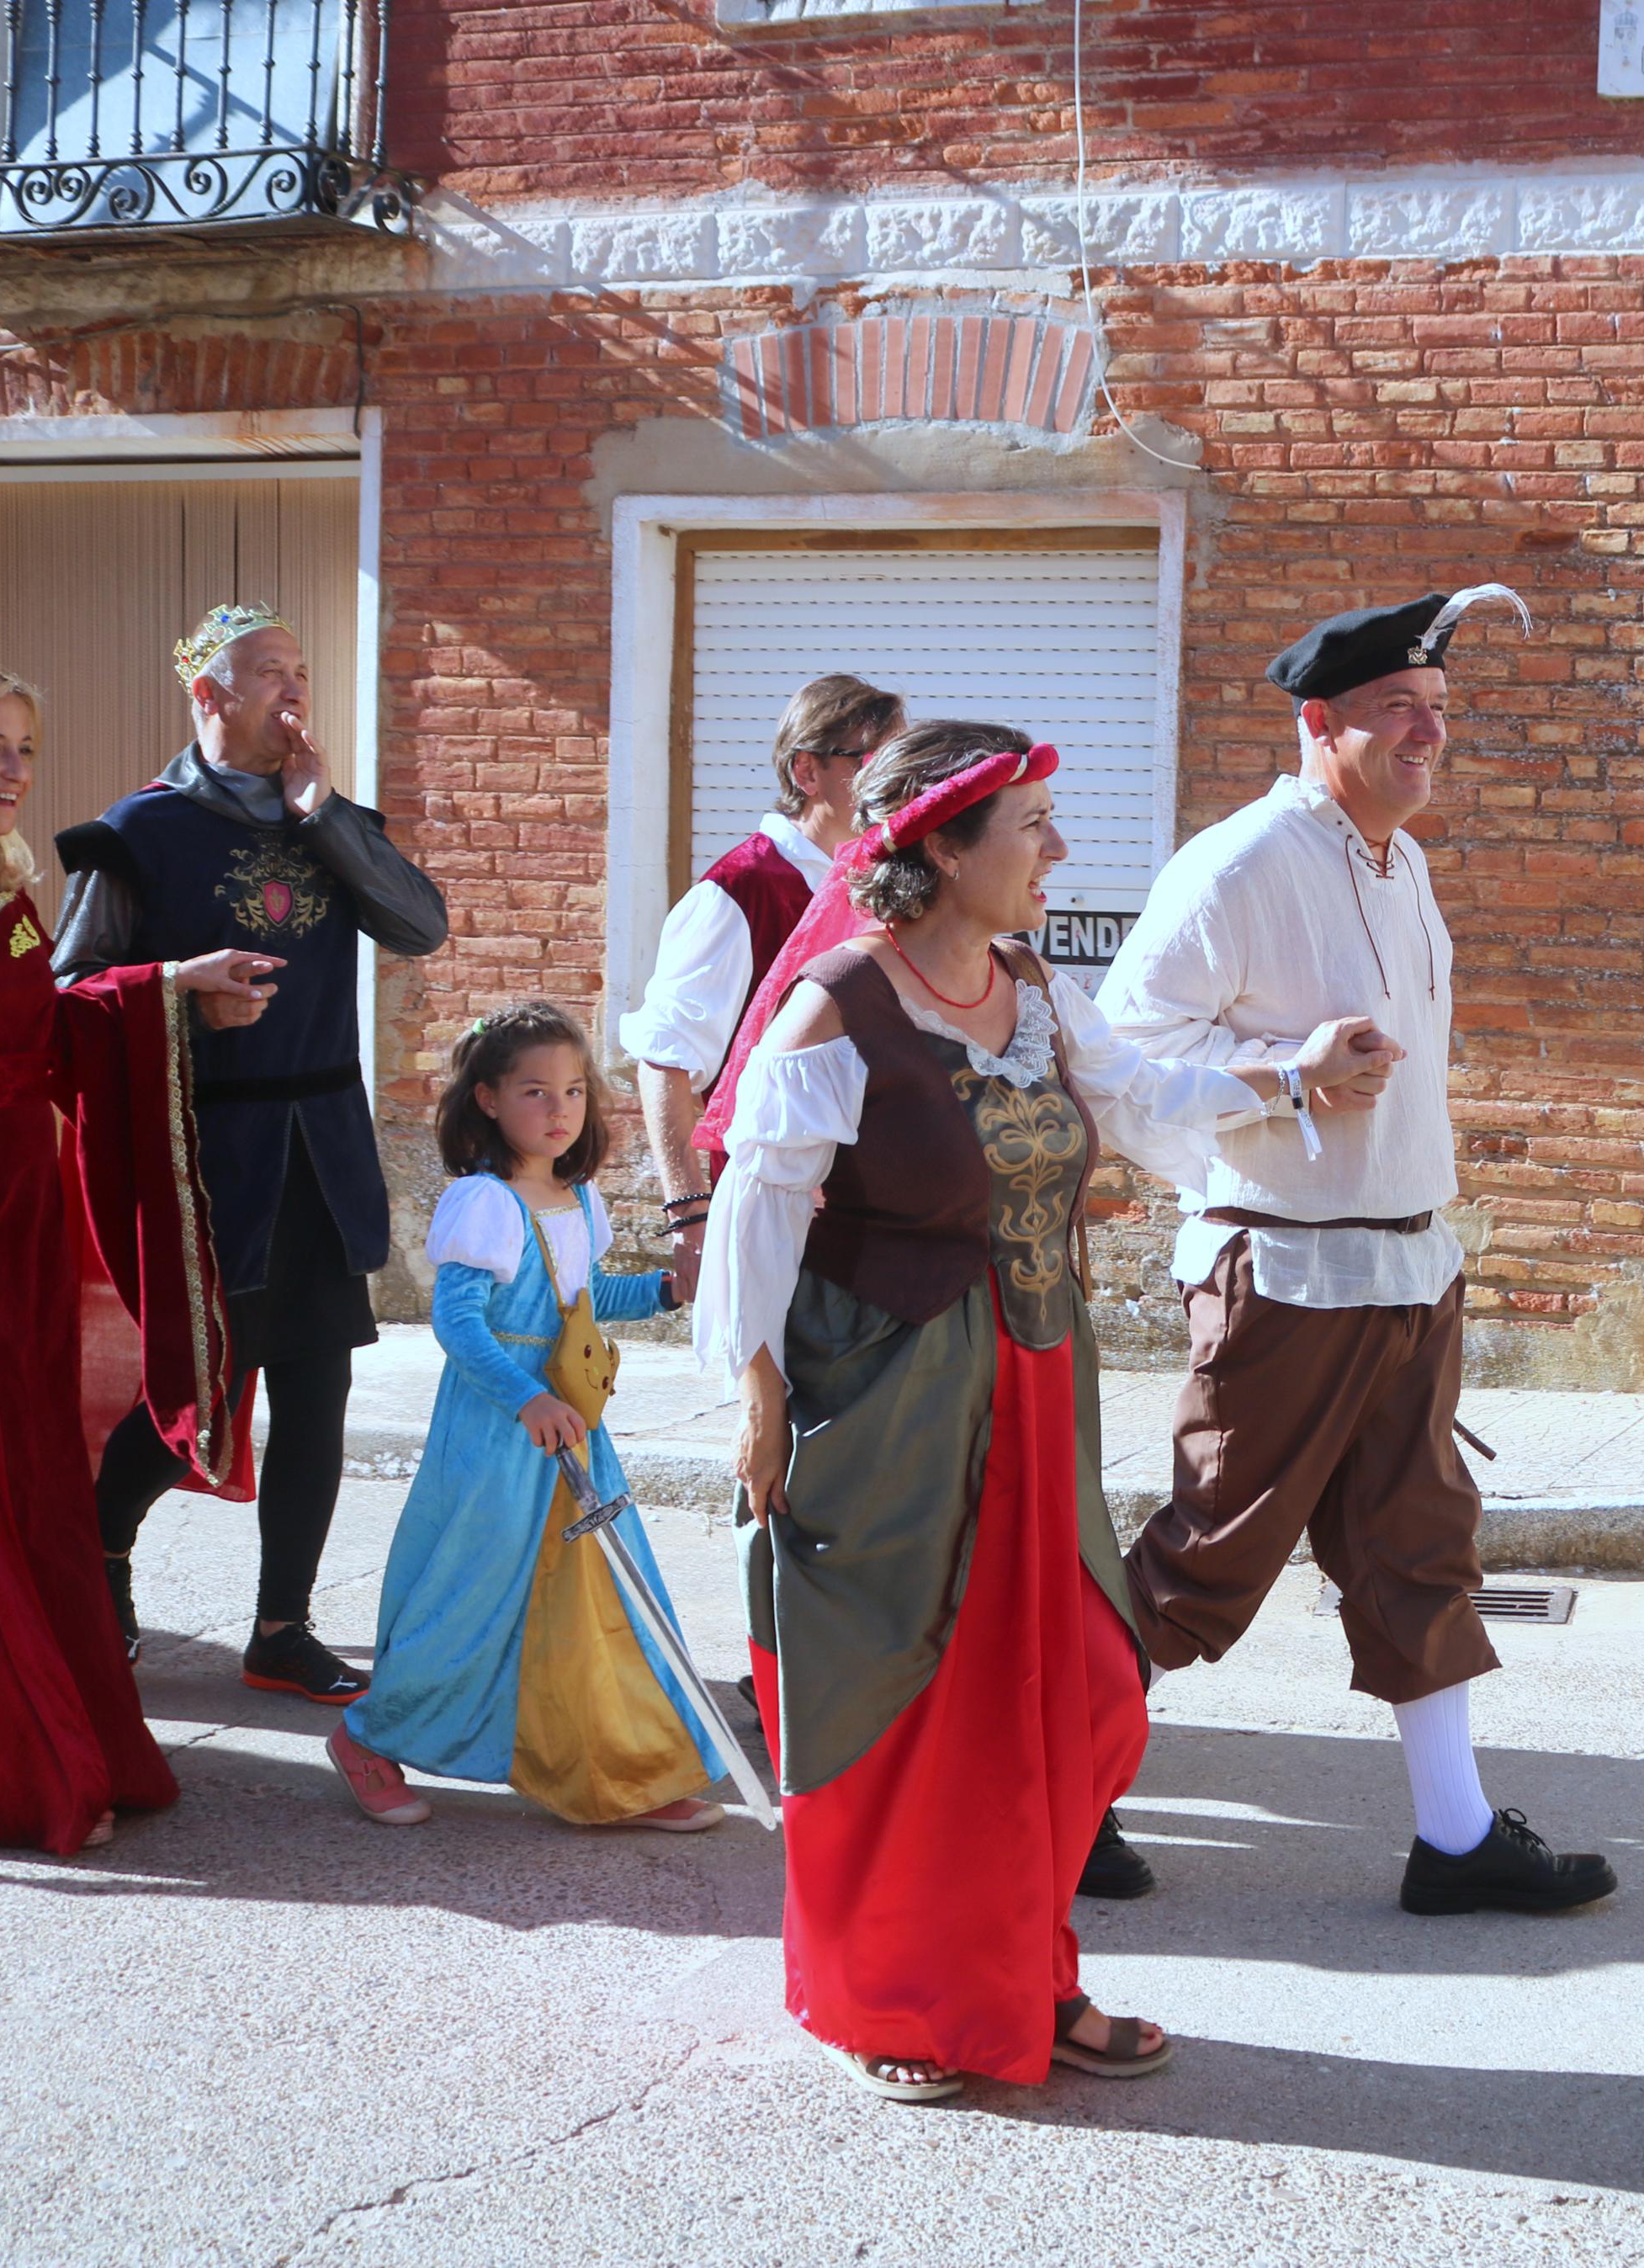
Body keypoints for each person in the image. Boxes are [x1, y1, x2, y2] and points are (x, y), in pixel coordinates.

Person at [696, 722, 1389, 2100]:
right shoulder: (837, 1007)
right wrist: (755, 1385)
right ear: (943, 850)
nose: (1058, 853)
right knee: (912, 1715)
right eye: (1029, 828)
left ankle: (1022, 1975)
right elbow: (757, 1207)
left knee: (1071, 1691)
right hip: (895, 1400)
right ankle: (903, 2006)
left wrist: (1293, 1073)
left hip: (1029, 1391)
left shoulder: (1030, 984)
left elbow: (1139, 1099)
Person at [1100, 586, 1620, 1917]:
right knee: (1206, 1553)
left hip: (1404, 1264)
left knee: (1418, 1549)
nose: (1425, 733)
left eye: (1438, 711)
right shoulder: (1234, 865)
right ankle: (1056, 1782)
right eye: (1397, 709)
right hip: (1283, 1276)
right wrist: (1284, 1071)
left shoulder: (1403, 859)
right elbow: (1114, 1058)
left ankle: (1452, 1837)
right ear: (1316, 721)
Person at [0, 653, 271, 1853]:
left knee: (26, 1463)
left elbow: (47, 1031)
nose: (13, 771)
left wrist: (170, 987)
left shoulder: (15, 893)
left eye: (23, 749)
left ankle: (62, 1722)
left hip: (15, 1212)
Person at [56, 603, 451, 1701]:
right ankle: (97, 1547)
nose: (291, 690)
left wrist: (324, 819)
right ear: (208, 696)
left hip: (321, 1147)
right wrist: (179, 993)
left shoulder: (327, 816)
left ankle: (282, 1624)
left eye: (299, 670)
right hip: (207, 1151)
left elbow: (420, 926)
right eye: (265, 672)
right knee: (199, 1379)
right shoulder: (131, 832)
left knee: (318, 1385)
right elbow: (68, 993)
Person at [326, 1002, 726, 1832]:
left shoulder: (577, 1199)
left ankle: (624, 1769)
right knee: (469, 1593)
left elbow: (577, 1304)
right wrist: (526, 1397)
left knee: (600, 1596)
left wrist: (662, 1290)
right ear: (487, 1100)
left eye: (573, 1091)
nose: (558, 1110)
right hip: (498, 1429)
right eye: (535, 1091)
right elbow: (460, 1323)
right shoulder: (482, 1202)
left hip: (572, 1428)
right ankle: (367, 1736)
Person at [621, 672, 901, 1272]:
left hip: (875, 1213)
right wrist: (690, 1213)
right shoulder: (738, 892)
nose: (895, 784)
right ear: (807, 772)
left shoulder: (886, 882)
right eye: (873, 761)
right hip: (772, 1213)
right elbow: (666, 1059)